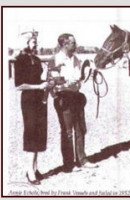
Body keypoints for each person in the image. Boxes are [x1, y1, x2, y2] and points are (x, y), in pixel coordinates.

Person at [52, 33, 97, 172]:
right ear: (65, 44)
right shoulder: (55, 59)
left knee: (80, 129)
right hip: (63, 98)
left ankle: (82, 160)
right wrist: (69, 81)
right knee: (67, 132)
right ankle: (68, 164)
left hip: (76, 97)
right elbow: (55, 81)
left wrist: (88, 75)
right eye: (73, 43)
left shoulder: (77, 59)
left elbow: (80, 78)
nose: (76, 45)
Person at [14, 31, 48, 185]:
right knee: (31, 133)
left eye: (36, 41)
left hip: (40, 99)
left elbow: (40, 79)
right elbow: (19, 85)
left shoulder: (36, 59)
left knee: (40, 133)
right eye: (33, 41)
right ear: (26, 43)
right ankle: (29, 171)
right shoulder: (20, 60)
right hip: (28, 101)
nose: (36, 43)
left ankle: (34, 168)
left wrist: (47, 78)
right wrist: (39, 86)